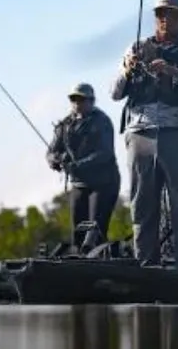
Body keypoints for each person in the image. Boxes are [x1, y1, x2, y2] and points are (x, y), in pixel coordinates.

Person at [110, 0, 178, 269]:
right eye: (159, 13)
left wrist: (172, 72)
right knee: (142, 207)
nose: (163, 19)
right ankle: (145, 268)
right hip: (139, 134)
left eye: (170, 13)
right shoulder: (136, 48)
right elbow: (114, 93)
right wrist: (128, 70)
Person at [46, 83, 121, 252]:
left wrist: (77, 166)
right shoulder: (65, 125)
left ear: (91, 101)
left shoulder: (102, 121)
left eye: (81, 99)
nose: (76, 103)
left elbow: (105, 153)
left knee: (95, 232)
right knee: (78, 233)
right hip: (79, 185)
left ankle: (102, 264)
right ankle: (79, 265)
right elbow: (51, 151)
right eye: (73, 99)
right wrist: (54, 161)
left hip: (104, 184)